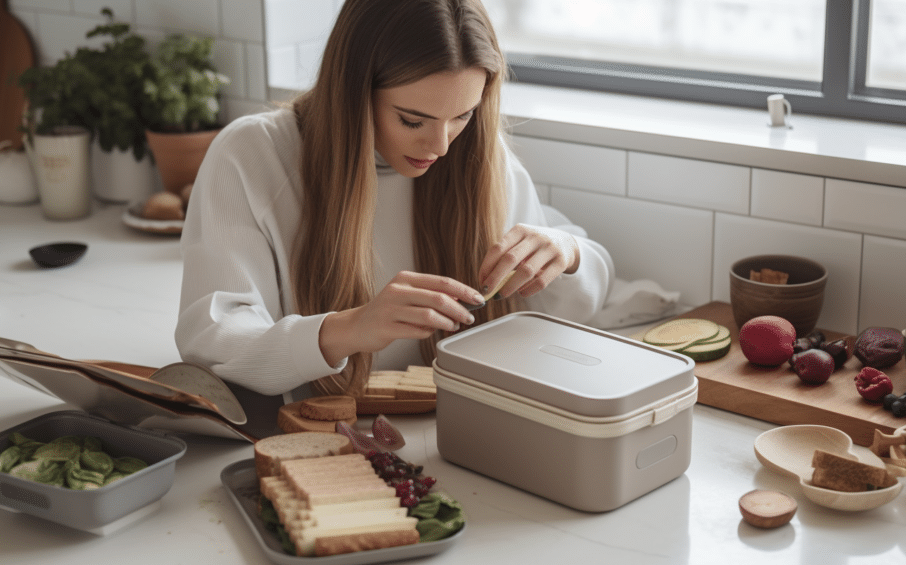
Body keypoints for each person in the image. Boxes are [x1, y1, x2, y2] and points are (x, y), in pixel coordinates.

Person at [175, 0, 614, 403]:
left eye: (462, 115)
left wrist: (567, 252)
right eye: (411, 120)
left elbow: (569, 303)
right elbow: (213, 343)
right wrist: (349, 328)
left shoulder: (476, 154)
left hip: (452, 430)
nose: (441, 146)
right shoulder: (252, 155)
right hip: (323, 431)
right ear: (352, 91)